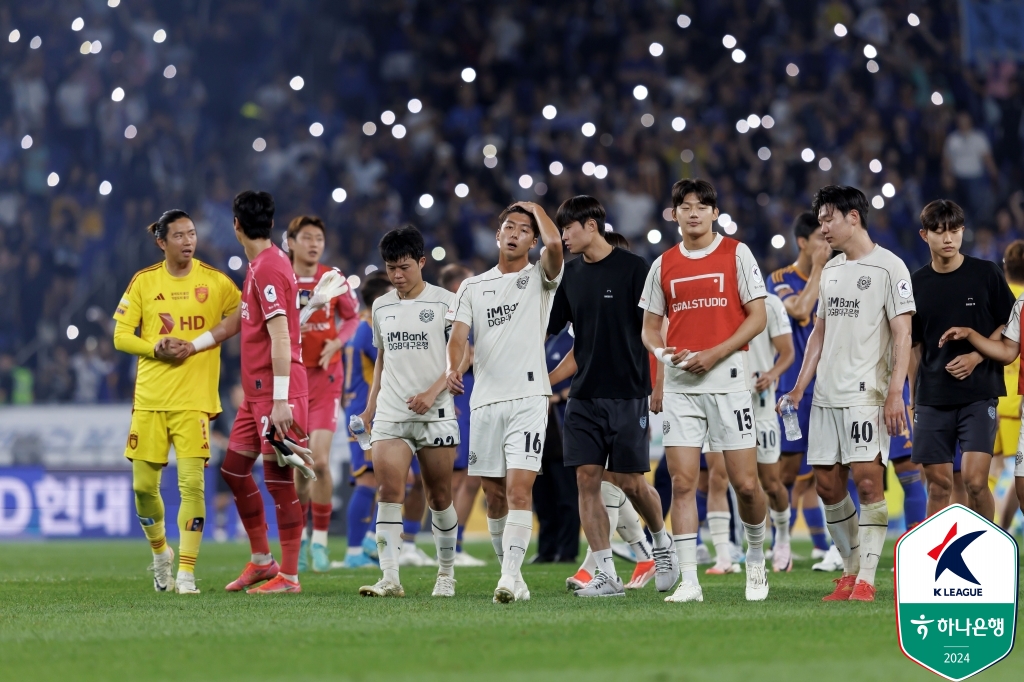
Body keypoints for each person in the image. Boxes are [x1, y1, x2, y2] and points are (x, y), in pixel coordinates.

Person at [779, 185, 916, 603]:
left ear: (852, 217)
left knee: (869, 482)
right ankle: (850, 569)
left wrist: (896, 392)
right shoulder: (832, 270)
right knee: (826, 485)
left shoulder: (891, 268)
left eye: (827, 219)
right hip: (825, 396)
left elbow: (903, 332)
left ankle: (868, 578)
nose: (823, 228)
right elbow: (819, 331)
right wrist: (801, 385)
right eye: (820, 221)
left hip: (866, 394)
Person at [640, 178, 770, 603]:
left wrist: (715, 353)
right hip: (681, 385)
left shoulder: (737, 253)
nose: (693, 213)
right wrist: (662, 356)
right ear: (673, 214)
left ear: (715, 213)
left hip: (730, 382)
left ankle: (754, 560)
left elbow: (757, 318)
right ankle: (690, 582)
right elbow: (649, 328)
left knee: (746, 484)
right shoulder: (663, 265)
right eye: (685, 206)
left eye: (701, 206)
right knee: (681, 483)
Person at [544, 197, 675, 598]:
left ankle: (662, 546)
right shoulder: (569, 276)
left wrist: (659, 385)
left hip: (627, 393)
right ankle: (606, 573)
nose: (564, 236)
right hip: (583, 398)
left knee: (633, 484)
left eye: (568, 228)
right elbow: (575, 345)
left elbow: (659, 330)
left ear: (590, 226)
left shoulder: (636, 270)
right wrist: (545, 382)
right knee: (587, 479)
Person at [185, 190, 311, 594]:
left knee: (278, 480)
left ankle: (289, 577)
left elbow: (279, 336)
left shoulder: (269, 268)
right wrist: (193, 345)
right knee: (234, 470)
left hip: (276, 392)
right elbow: (238, 323)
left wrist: (279, 401)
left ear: (235, 225)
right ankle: (261, 561)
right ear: (271, 225)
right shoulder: (262, 266)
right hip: (256, 394)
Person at [112, 209, 240, 594]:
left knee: (192, 486)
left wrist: (202, 342)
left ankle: (186, 572)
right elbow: (120, 335)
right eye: (179, 235)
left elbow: (240, 318)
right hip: (151, 399)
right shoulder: (144, 282)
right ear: (161, 242)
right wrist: (155, 346)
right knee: (143, 489)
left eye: (192, 233)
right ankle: (160, 554)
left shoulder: (216, 282)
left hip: (194, 400)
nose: (188, 241)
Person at [445, 201, 564, 603]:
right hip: (485, 402)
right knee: (493, 494)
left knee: (518, 490)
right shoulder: (473, 286)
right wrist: (453, 367)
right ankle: (511, 574)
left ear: (532, 240)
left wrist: (536, 208)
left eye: (522, 229)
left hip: (529, 397)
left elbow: (557, 247)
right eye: (508, 227)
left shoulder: (540, 278)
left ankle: (509, 576)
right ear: (497, 236)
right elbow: (459, 336)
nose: (513, 233)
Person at [357, 225, 460, 598]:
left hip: (435, 414)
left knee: (439, 496)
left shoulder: (446, 302)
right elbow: (383, 359)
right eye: (390, 269)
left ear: (421, 262)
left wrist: (433, 392)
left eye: (404, 267)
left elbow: (462, 354)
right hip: (391, 413)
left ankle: (445, 573)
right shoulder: (381, 306)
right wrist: (370, 407)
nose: (397, 276)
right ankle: (390, 577)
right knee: (387, 490)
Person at [908, 200, 1014, 521]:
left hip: (978, 394)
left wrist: (977, 355)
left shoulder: (986, 273)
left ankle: (986, 552)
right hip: (933, 397)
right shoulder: (916, 283)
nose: (948, 238)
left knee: (975, 482)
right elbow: (914, 347)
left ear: (963, 231)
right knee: (938, 486)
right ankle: (938, 561)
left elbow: (1009, 325)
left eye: (955, 230)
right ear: (924, 235)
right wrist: (914, 398)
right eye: (939, 232)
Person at [288, 215, 359, 572]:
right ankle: (299, 538)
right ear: (291, 242)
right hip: (292, 381)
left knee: (318, 461)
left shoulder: (334, 279)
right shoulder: (280, 278)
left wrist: (338, 341)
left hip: (327, 380)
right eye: (307, 238)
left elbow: (352, 318)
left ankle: (319, 542)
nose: (314, 244)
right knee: (301, 465)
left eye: (319, 238)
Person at [768, 212, 833, 566]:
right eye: (820, 239)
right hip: (793, 388)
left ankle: (828, 546)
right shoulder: (780, 279)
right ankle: (780, 541)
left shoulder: (840, 277)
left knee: (832, 469)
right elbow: (800, 308)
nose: (827, 244)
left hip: (830, 387)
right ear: (803, 243)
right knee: (788, 472)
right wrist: (821, 269)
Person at [341, 271, 392, 568]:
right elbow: (388, 366)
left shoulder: (359, 328)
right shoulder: (370, 329)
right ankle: (357, 548)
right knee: (368, 480)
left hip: (362, 411)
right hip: (366, 414)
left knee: (389, 479)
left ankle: (367, 544)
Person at [438, 263, 487, 567]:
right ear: (456, 287)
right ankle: (448, 545)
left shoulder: (476, 316)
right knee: (456, 477)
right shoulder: (443, 317)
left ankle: (456, 542)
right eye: (468, 284)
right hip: (455, 393)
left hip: (477, 393)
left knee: (470, 476)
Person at [747, 293, 795, 571]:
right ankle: (753, 549)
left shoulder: (770, 304)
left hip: (762, 406)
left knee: (771, 482)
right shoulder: (719, 299)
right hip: (728, 401)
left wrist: (772, 373)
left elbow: (787, 351)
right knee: (740, 483)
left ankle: (783, 541)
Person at [997, 241, 1024, 529]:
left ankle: (988, 529)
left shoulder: (996, 296)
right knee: (1017, 471)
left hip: (990, 395)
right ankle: (1001, 529)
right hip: (1017, 400)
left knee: (989, 473)